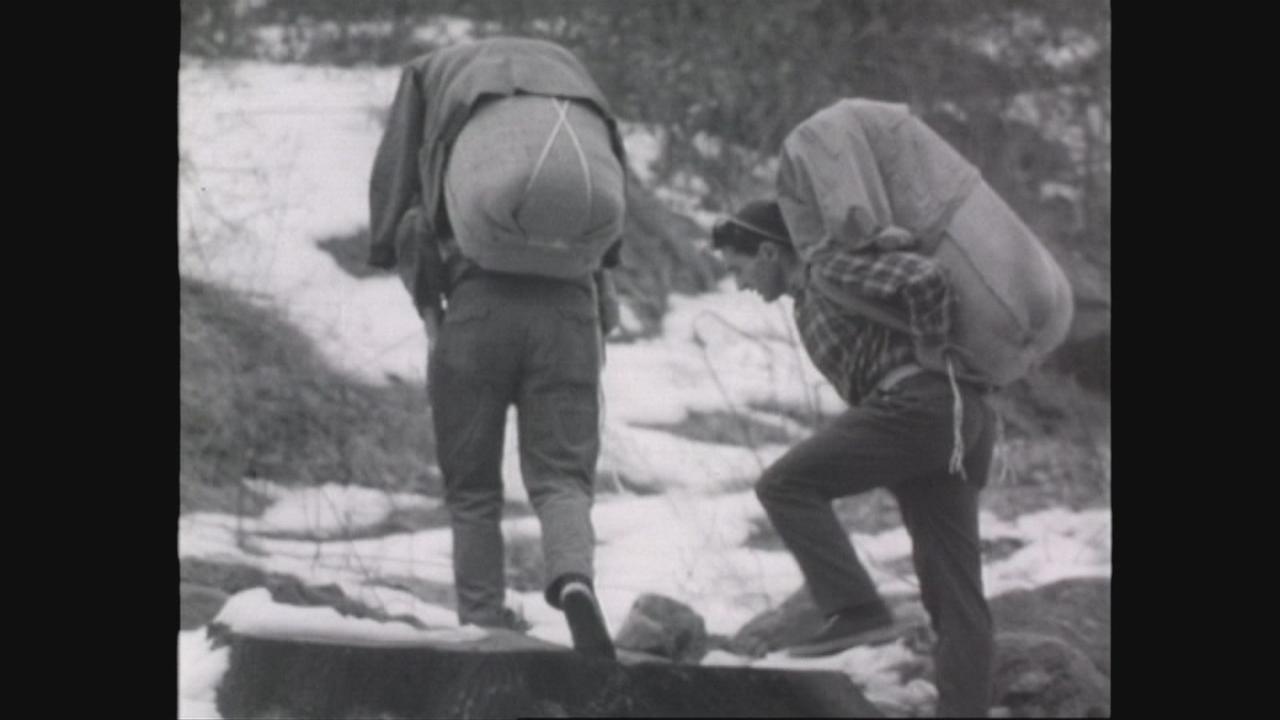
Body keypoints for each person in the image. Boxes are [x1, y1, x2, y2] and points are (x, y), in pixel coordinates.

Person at [367, 36, 624, 660]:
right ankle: (572, 578)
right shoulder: (574, 91)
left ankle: (484, 623)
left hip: (479, 306)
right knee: (563, 478)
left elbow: (405, 207)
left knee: (474, 488)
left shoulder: (437, 85)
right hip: (569, 310)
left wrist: (417, 288)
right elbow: (609, 247)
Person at [712, 198, 997, 716]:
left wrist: (932, 360)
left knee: (784, 485)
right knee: (955, 598)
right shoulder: (811, 293)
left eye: (739, 268)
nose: (740, 284)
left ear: (770, 252)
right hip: (956, 418)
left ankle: (856, 608)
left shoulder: (826, 269)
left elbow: (927, 279)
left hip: (924, 408)